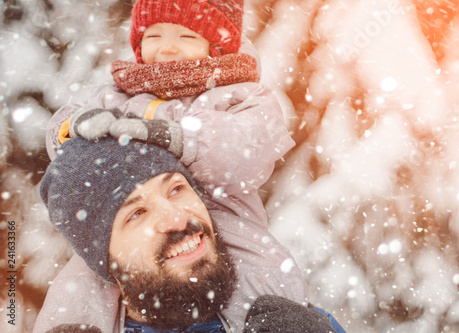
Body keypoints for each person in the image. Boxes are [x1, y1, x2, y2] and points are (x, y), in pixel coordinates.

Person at [39, 0, 311, 332]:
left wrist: (180, 138)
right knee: (84, 279)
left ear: (215, 46)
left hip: (222, 218)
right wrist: (75, 127)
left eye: (184, 36)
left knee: (255, 273)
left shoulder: (237, 93)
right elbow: (63, 143)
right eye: (153, 36)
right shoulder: (120, 93)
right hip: (129, 236)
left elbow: (246, 148)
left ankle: (276, 322)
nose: (167, 49)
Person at [37, 137, 344, 333]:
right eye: (136, 213)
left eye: (176, 189)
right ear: (104, 260)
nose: (176, 217)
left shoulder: (296, 325)